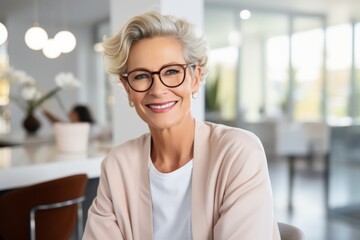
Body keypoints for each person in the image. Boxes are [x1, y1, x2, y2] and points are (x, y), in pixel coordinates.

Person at [83, 11, 280, 240]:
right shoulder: (117, 166)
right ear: (127, 89)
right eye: (141, 76)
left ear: (195, 78)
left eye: (172, 71)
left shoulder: (238, 153)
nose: (157, 90)